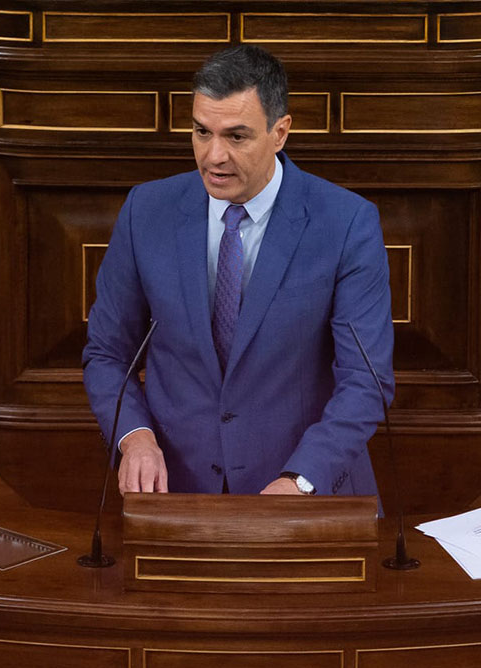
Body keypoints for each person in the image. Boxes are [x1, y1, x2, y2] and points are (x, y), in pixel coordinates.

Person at [82, 44, 394, 499]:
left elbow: (366, 380)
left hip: (304, 491)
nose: (213, 156)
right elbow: (107, 354)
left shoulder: (346, 223)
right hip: (176, 493)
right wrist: (135, 437)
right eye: (202, 132)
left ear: (280, 132)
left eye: (236, 136)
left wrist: (301, 479)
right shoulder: (145, 212)